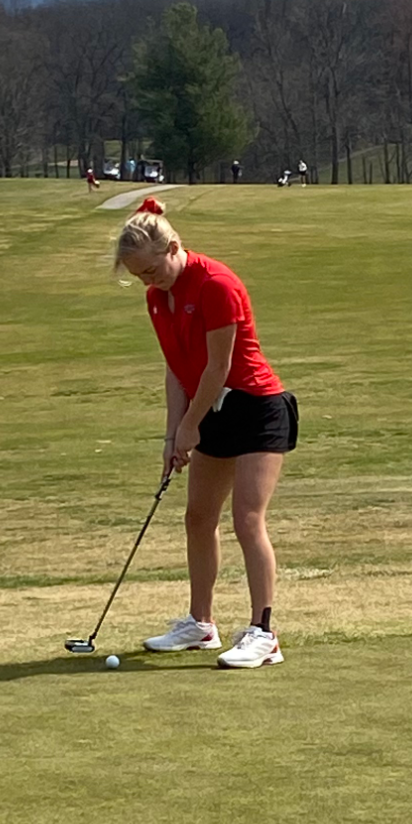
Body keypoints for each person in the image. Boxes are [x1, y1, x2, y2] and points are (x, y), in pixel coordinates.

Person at [112, 197, 299, 669]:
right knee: (198, 517)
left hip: (256, 408)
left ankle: (264, 632)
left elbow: (218, 367)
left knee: (247, 518)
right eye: (139, 277)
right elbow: (178, 370)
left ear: (174, 247)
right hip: (206, 408)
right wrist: (173, 433)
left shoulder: (217, 284)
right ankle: (201, 625)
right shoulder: (158, 298)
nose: (148, 282)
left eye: (152, 271)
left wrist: (191, 427)